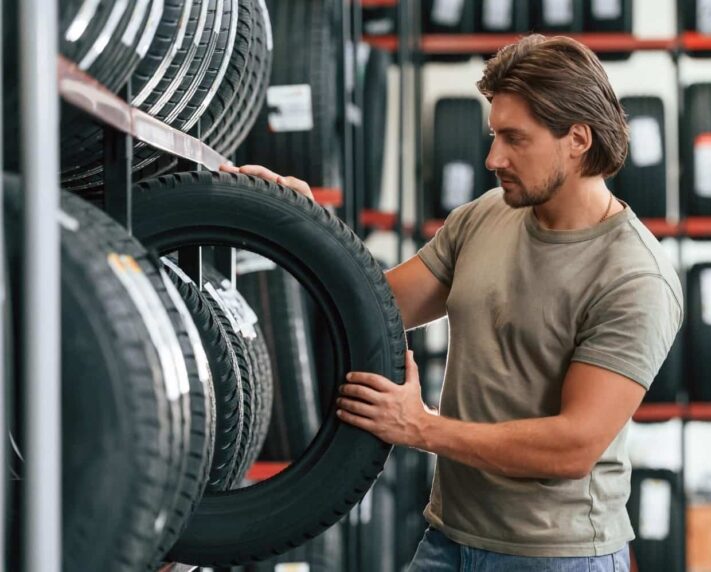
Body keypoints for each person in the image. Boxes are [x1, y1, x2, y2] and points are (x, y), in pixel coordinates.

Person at [225, 33, 682, 572]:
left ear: (577, 139)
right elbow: (379, 303)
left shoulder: (633, 276)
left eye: (515, 139)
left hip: (556, 556)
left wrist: (420, 427)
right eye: (494, 136)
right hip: (450, 540)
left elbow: (572, 447)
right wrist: (305, 226)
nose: (493, 157)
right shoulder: (486, 215)